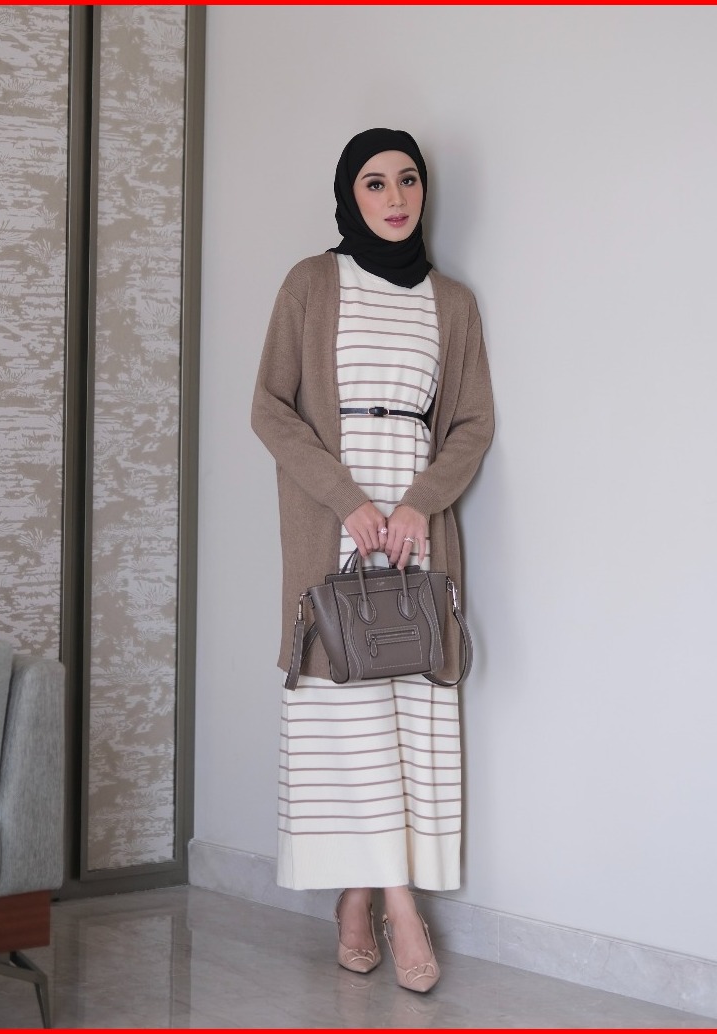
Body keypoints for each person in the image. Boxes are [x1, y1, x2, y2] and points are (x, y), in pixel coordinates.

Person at [251, 127, 494, 993]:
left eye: (409, 181)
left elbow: (471, 424)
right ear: (349, 196)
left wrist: (418, 504)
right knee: (347, 716)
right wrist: (347, 501)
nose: (396, 199)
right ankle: (400, 907)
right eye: (376, 183)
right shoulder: (311, 283)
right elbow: (271, 408)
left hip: (416, 539)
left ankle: (358, 897)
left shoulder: (452, 303)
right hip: (336, 531)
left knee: (408, 717)